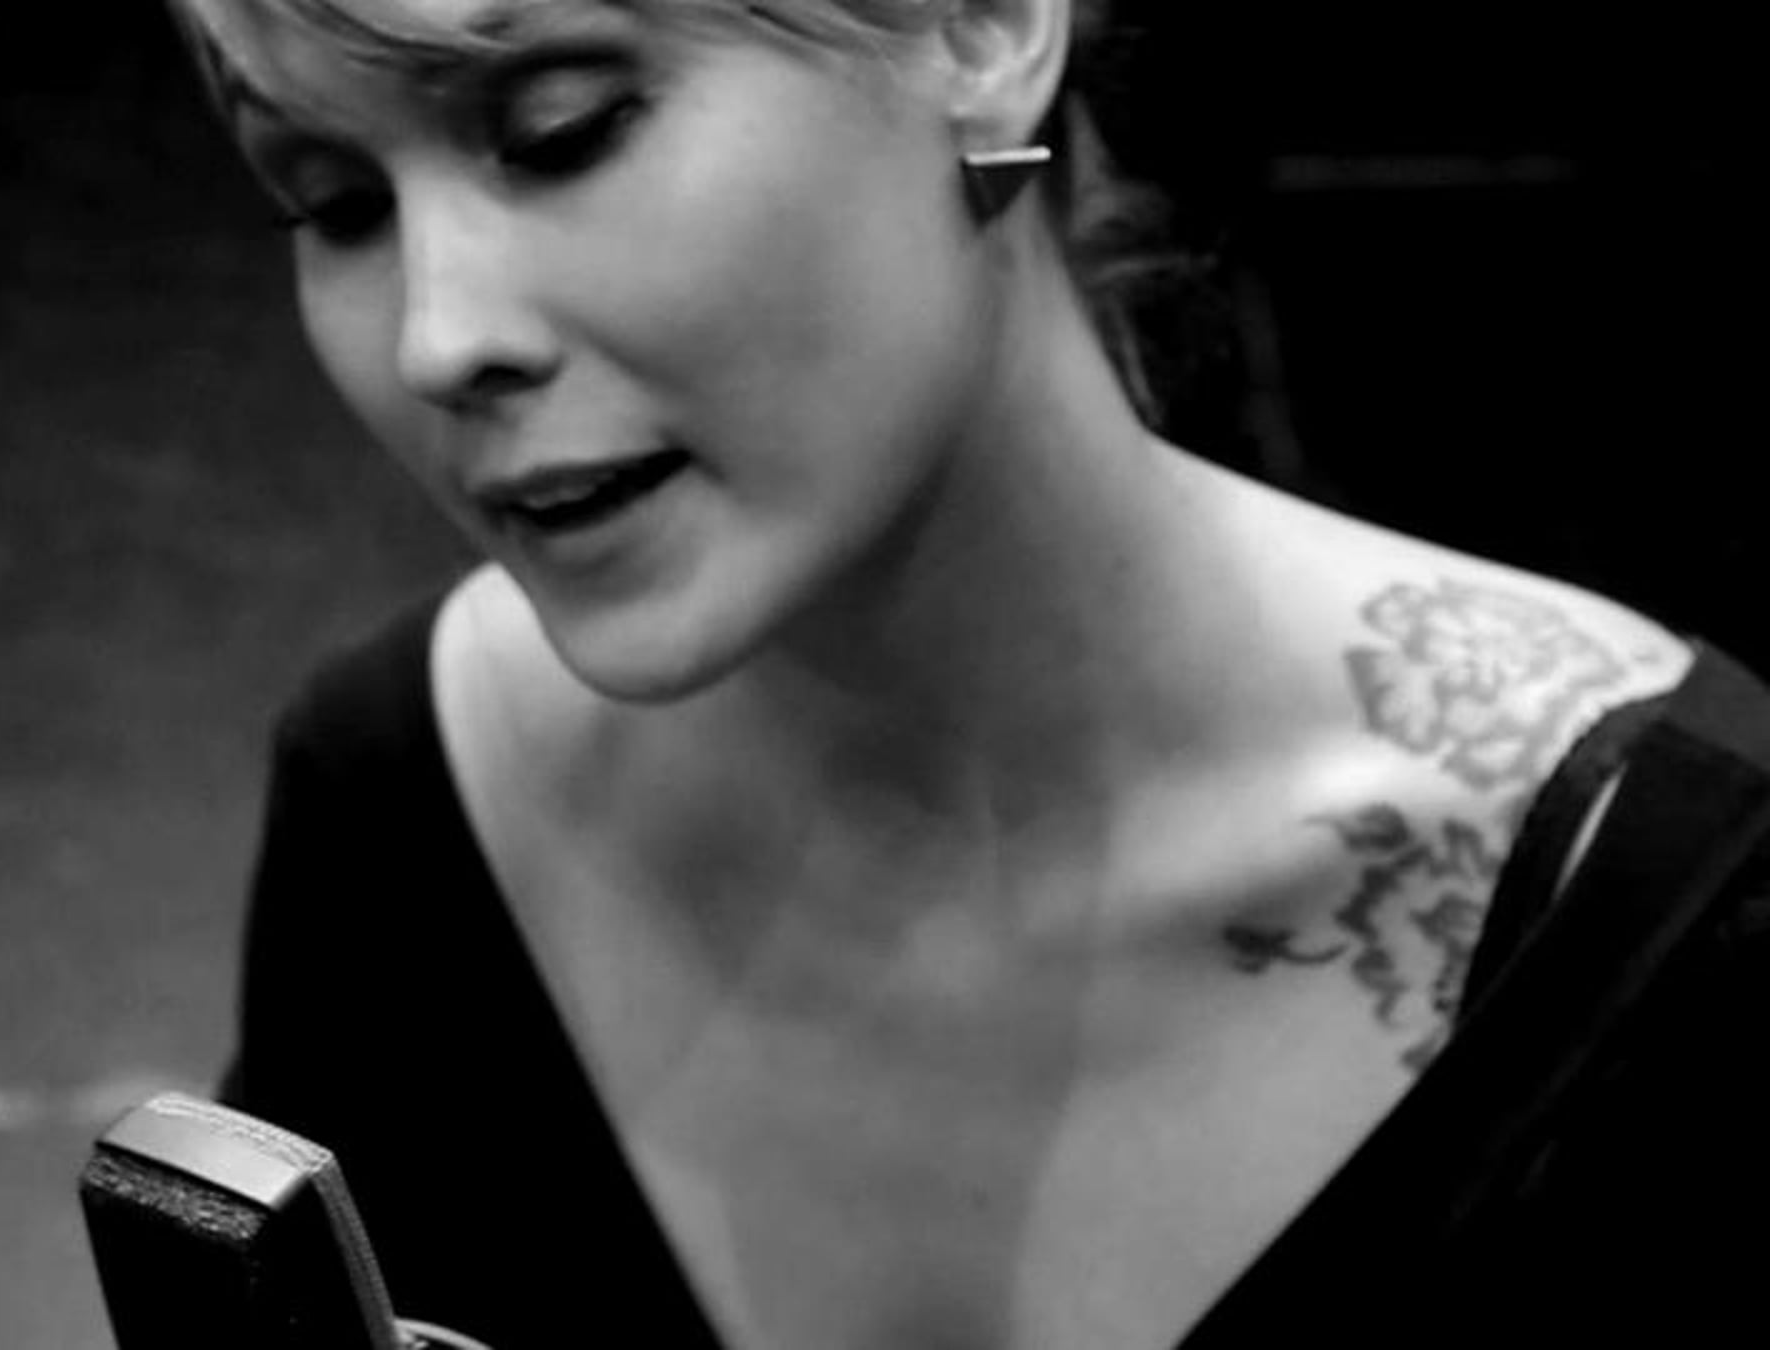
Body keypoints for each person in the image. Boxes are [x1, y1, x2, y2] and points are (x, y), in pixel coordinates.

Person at [168, 1, 1770, 1346]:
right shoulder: (405, 797)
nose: (439, 338)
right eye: (334, 203)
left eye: (562, 132)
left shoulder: (1675, 914)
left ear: (980, 27)